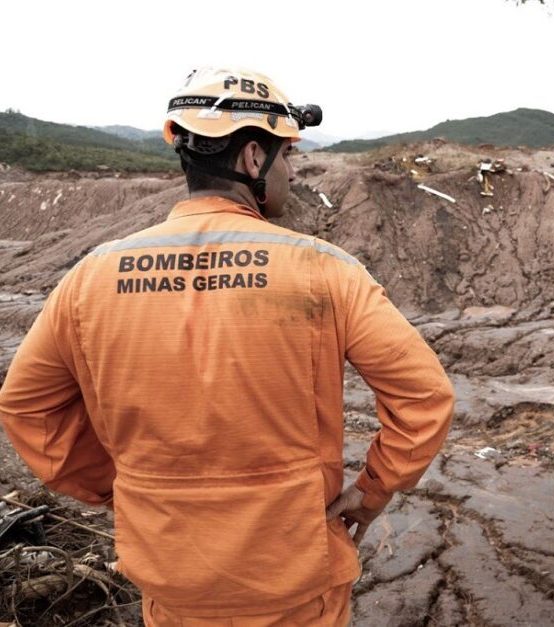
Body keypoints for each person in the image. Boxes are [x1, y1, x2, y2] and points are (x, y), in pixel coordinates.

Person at [0, 67, 454, 626]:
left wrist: (118, 490)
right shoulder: (325, 270)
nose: (290, 171)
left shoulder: (91, 276)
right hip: (294, 578)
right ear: (252, 159)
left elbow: (27, 406)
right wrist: (374, 488)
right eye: (287, 156)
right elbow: (424, 397)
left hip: (171, 581)